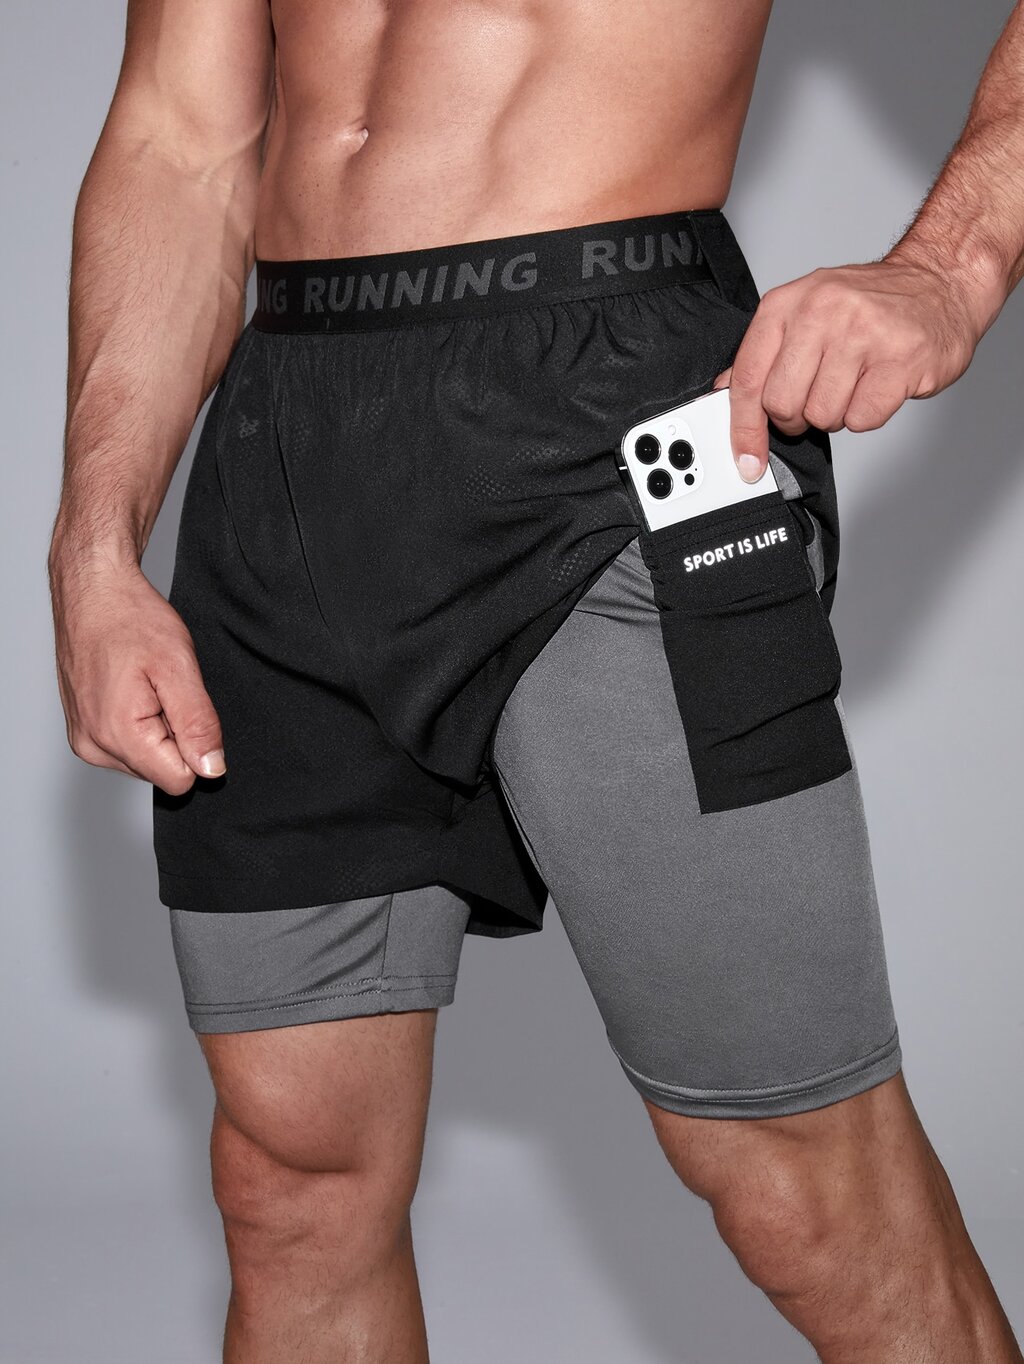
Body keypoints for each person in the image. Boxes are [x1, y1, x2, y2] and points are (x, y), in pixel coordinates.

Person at [47, 0, 1024, 1359]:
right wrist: (94, 545)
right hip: (286, 460)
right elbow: (178, 135)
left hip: (621, 430)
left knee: (805, 1187)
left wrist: (954, 265)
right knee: (291, 1188)